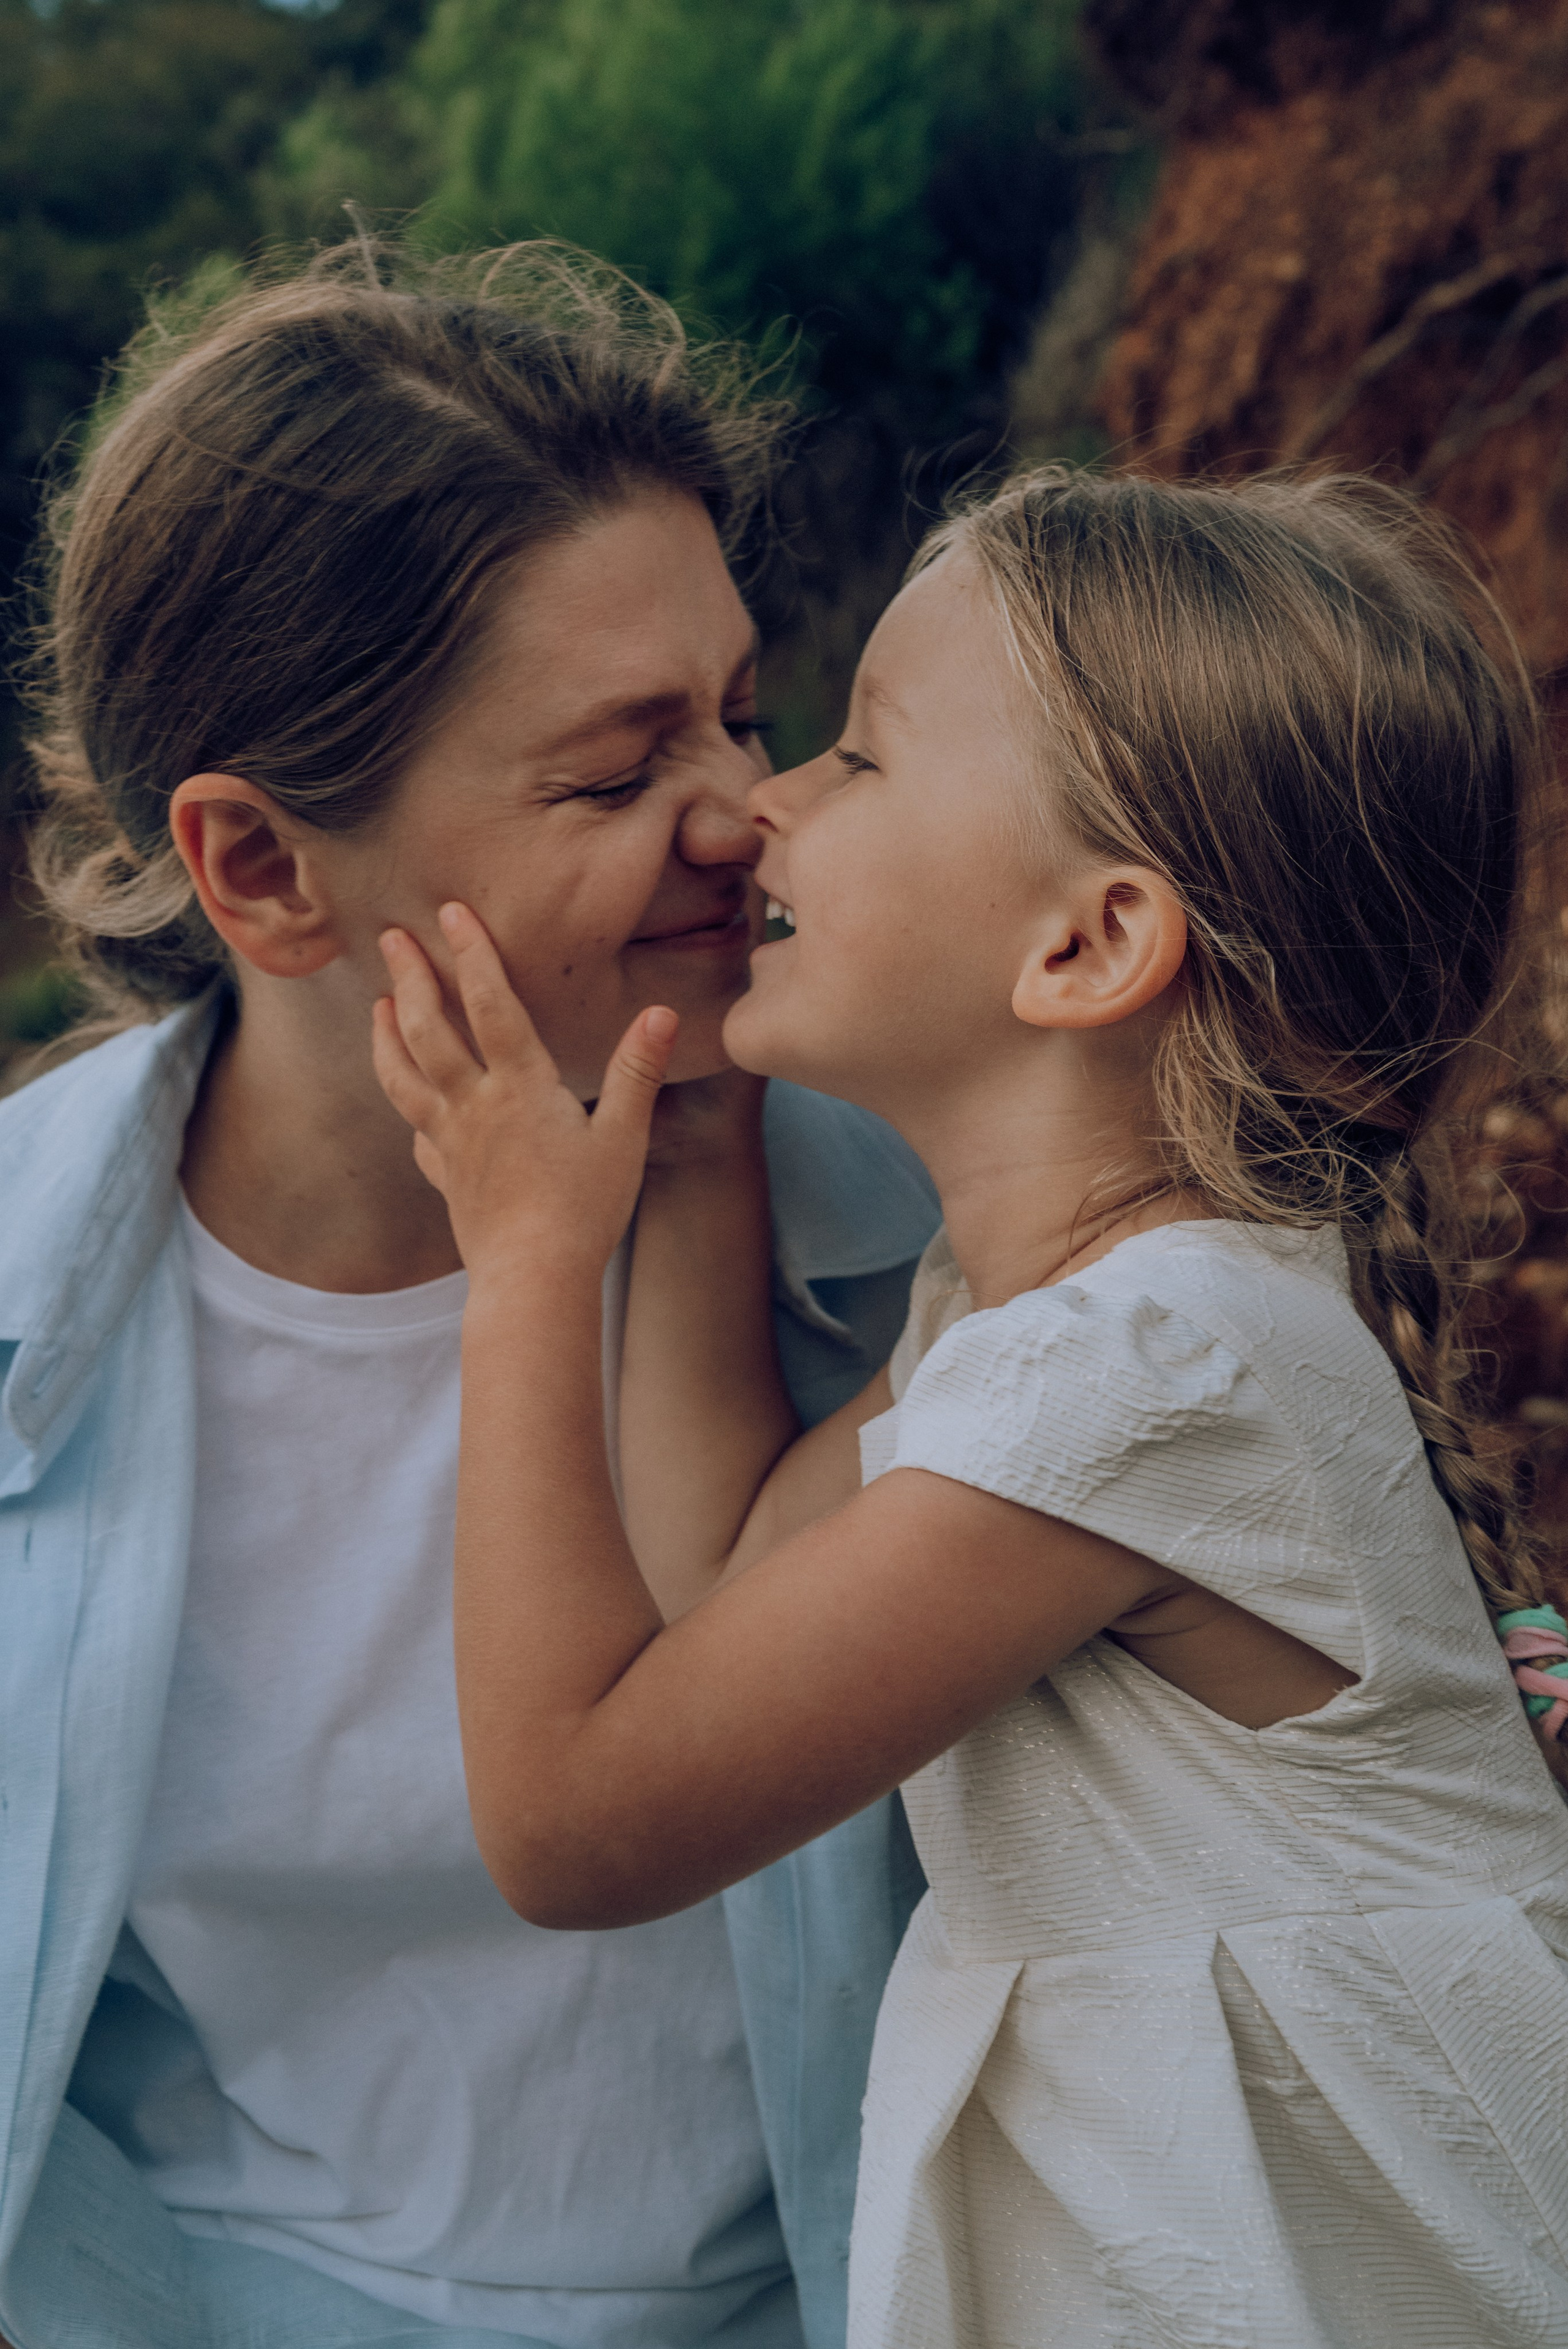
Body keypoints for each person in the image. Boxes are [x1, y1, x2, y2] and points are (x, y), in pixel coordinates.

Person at [372, 466, 1568, 2349]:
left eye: (854, 757)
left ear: (1085, 947)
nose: (762, 804)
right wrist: (695, 1145)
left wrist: (525, 1259)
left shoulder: (1148, 1369)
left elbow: (579, 1820)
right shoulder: (1061, 1327)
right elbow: (714, 1589)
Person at [0, 239, 938, 2349]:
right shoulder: (26, 1308)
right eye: (616, 774)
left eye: (748, 715)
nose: (749, 817)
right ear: (258, 869)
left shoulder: (948, 1228)